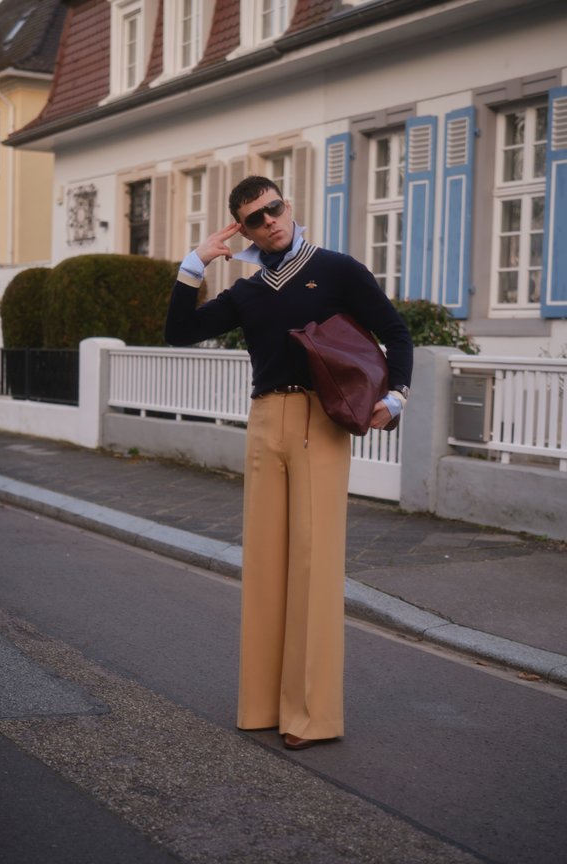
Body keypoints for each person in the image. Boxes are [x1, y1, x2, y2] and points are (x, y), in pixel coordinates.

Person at [165, 176, 412, 750]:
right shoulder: (249, 292)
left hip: (320, 423)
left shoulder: (337, 268)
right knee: (266, 568)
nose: (269, 220)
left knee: (313, 565)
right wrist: (194, 265)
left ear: (289, 205)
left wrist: (395, 396)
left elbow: (396, 334)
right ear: (244, 229)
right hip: (265, 422)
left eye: (274, 207)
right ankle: (261, 704)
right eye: (255, 217)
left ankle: (311, 715)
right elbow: (180, 333)